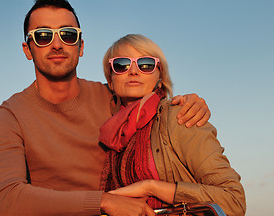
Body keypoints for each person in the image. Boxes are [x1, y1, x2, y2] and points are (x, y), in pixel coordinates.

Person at [0, 0, 211, 216]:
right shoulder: (9, 117)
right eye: (43, 36)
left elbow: (153, 103)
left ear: (81, 46)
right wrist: (103, 202)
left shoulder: (111, 97)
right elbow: (5, 200)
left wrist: (188, 103)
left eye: (68, 35)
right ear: (27, 49)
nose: (56, 44)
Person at [98, 34, 246, 216]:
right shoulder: (106, 128)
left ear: (160, 76)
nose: (133, 71)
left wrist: (150, 187)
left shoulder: (180, 116)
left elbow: (233, 200)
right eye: (121, 65)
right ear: (110, 80)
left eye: (146, 64)